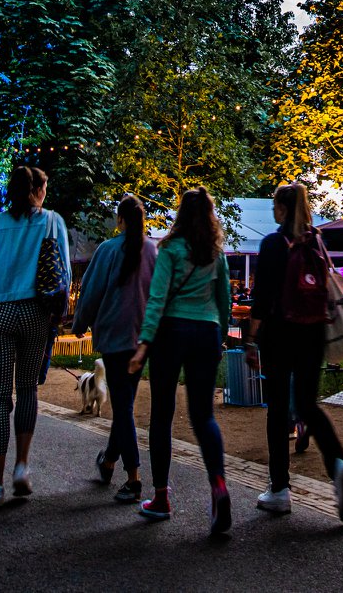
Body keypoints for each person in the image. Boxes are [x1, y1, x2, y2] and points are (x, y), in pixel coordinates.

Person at [247, 182, 343, 525]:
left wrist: (250, 340)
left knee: (278, 408)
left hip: (279, 333)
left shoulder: (272, 244)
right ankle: (338, 463)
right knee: (308, 404)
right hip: (313, 333)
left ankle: (279, 490)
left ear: (281, 208)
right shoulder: (317, 241)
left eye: (274, 207)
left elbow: (261, 299)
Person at [0, 165, 70, 510]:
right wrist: (59, 314)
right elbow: (62, 272)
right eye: (45, 186)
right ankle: (22, 465)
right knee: (27, 390)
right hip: (36, 313)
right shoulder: (53, 221)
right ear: (37, 189)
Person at [128, 186, 231, 533]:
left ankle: (161, 496)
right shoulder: (217, 253)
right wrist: (219, 335)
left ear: (181, 214)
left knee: (162, 414)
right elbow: (224, 301)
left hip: (171, 332)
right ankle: (218, 485)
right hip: (206, 332)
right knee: (204, 416)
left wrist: (144, 344)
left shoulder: (169, 249)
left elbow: (156, 299)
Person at [72, 195, 156, 505]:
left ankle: (133, 479)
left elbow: (92, 291)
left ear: (120, 220)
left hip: (115, 339)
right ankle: (108, 461)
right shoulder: (152, 251)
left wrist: (80, 322)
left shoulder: (108, 250)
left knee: (123, 408)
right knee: (124, 404)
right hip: (141, 339)